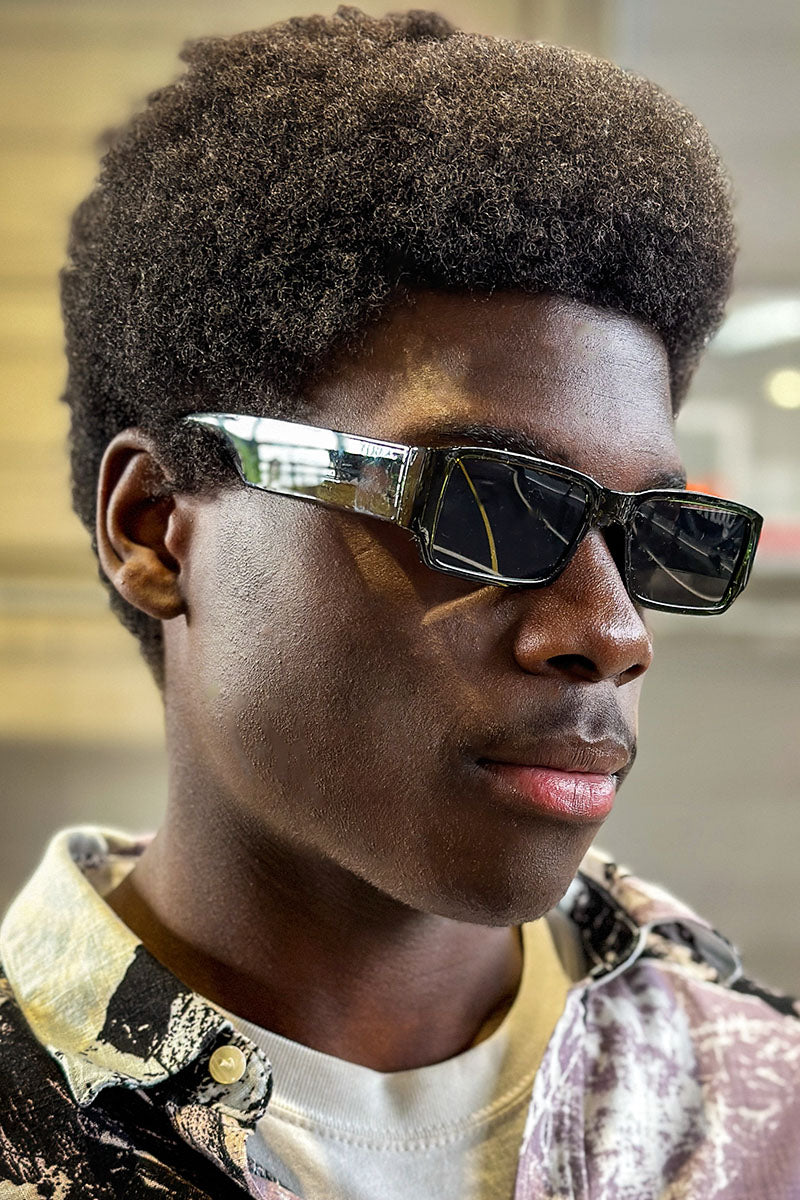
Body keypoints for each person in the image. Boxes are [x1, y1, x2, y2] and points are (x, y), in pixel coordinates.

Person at [1, 7, 797, 1198]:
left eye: (647, 536)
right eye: (482, 507)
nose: (611, 633)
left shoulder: (760, 1107)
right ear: (155, 526)